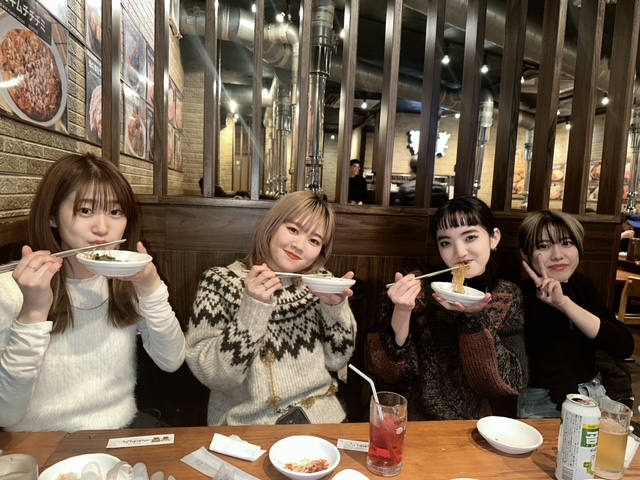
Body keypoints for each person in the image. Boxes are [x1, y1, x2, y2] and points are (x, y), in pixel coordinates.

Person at [0, 153, 185, 432]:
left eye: (115, 212)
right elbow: (5, 415)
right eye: (85, 210)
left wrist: (151, 287)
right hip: (40, 442)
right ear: (52, 216)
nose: (102, 228)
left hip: (119, 430)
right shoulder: (11, 289)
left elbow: (171, 360)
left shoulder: (126, 280)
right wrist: (33, 311)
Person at [185, 191, 357, 425]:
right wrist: (252, 309)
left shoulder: (320, 284)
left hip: (323, 418)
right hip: (249, 426)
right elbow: (214, 376)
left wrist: (335, 309)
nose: (299, 246)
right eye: (293, 229)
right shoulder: (219, 282)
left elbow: (337, 360)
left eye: (314, 241)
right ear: (273, 225)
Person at [368, 196, 528, 420]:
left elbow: (510, 383)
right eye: (446, 243)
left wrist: (474, 318)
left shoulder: (507, 295)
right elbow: (386, 372)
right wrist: (402, 311)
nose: (459, 252)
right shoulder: (416, 284)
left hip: (478, 423)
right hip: (412, 419)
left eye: (470, 237)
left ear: (494, 238)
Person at [517, 210, 634, 418]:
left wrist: (564, 303)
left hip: (593, 392)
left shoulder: (582, 286)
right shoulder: (521, 296)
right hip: (543, 400)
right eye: (544, 246)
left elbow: (623, 346)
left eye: (566, 243)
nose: (557, 255)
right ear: (525, 255)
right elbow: (553, 370)